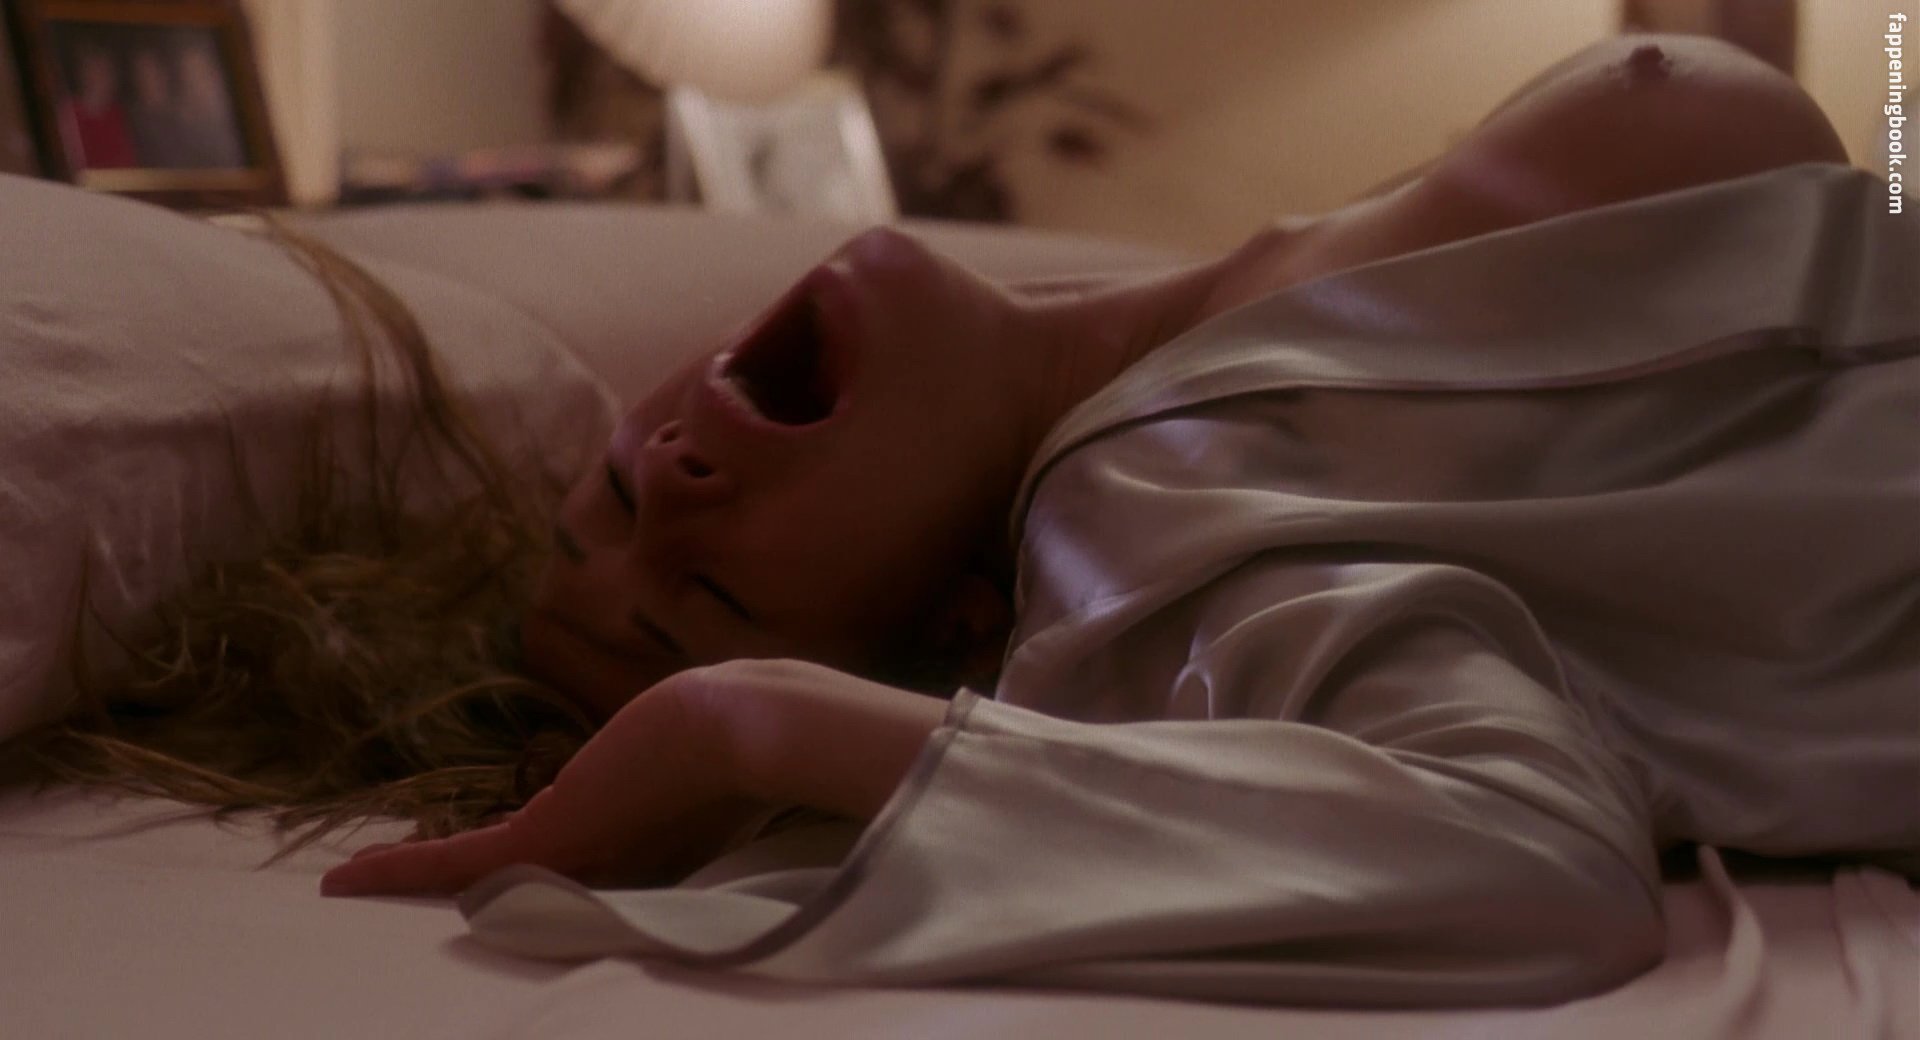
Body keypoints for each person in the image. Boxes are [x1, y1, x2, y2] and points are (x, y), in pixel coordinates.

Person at [13, 34, 1915, 1006]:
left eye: (621, 488)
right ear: (950, 627)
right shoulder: (1143, 529)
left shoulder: (1178, 353)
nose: (671, 480)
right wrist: (753, 727)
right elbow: (1527, 849)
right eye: (703, 593)